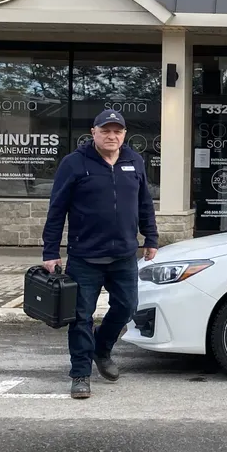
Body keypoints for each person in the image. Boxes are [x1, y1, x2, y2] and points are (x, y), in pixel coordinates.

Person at [41, 109, 159, 400]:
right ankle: (80, 374)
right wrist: (50, 250)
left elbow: (145, 203)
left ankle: (101, 349)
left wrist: (151, 237)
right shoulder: (74, 164)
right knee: (80, 317)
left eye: (117, 131)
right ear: (93, 132)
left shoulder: (135, 161)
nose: (111, 136)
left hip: (124, 257)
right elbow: (57, 209)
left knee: (128, 307)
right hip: (85, 257)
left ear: (124, 134)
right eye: (105, 130)